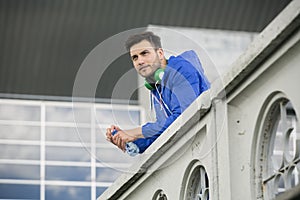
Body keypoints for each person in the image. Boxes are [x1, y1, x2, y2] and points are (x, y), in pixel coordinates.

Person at [106, 31, 210, 155]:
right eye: (135, 57)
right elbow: (163, 131)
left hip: (209, 141)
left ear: (160, 53)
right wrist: (126, 140)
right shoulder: (156, 88)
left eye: (144, 53)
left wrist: (134, 132)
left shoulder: (181, 69)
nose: (140, 61)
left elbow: (184, 116)